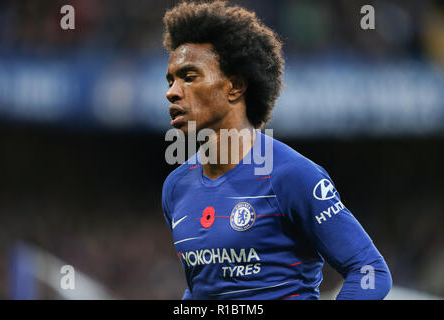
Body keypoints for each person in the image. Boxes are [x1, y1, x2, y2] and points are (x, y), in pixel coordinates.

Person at [161, 0, 391, 300]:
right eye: (171, 80)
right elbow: (201, 290)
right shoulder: (176, 188)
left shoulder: (291, 175)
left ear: (235, 86)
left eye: (189, 77)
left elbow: (370, 271)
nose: (172, 91)